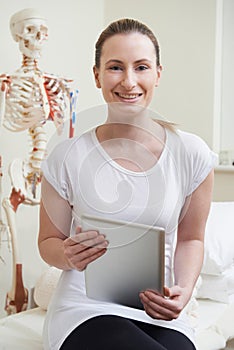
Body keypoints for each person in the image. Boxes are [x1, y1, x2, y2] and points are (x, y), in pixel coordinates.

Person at [38, 18, 217, 350]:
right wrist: (67, 254)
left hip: (157, 309)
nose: (129, 81)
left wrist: (185, 291)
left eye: (142, 67)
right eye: (116, 67)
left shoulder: (191, 153)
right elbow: (49, 241)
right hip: (86, 309)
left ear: (158, 74)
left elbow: (191, 238)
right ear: (97, 75)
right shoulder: (66, 156)